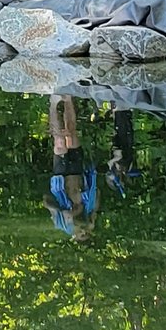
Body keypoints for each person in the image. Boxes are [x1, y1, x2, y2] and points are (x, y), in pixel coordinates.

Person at [47, 94, 97, 239]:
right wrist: (93, 216)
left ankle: (53, 104)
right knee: (71, 133)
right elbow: (96, 190)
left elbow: (46, 201)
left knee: (59, 141)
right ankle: (68, 99)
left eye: (81, 235)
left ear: (75, 235)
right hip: (77, 172)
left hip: (61, 175)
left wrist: (59, 210)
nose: (83, 231)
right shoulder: (89, 207)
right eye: (86, 233)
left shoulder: (62, 222)